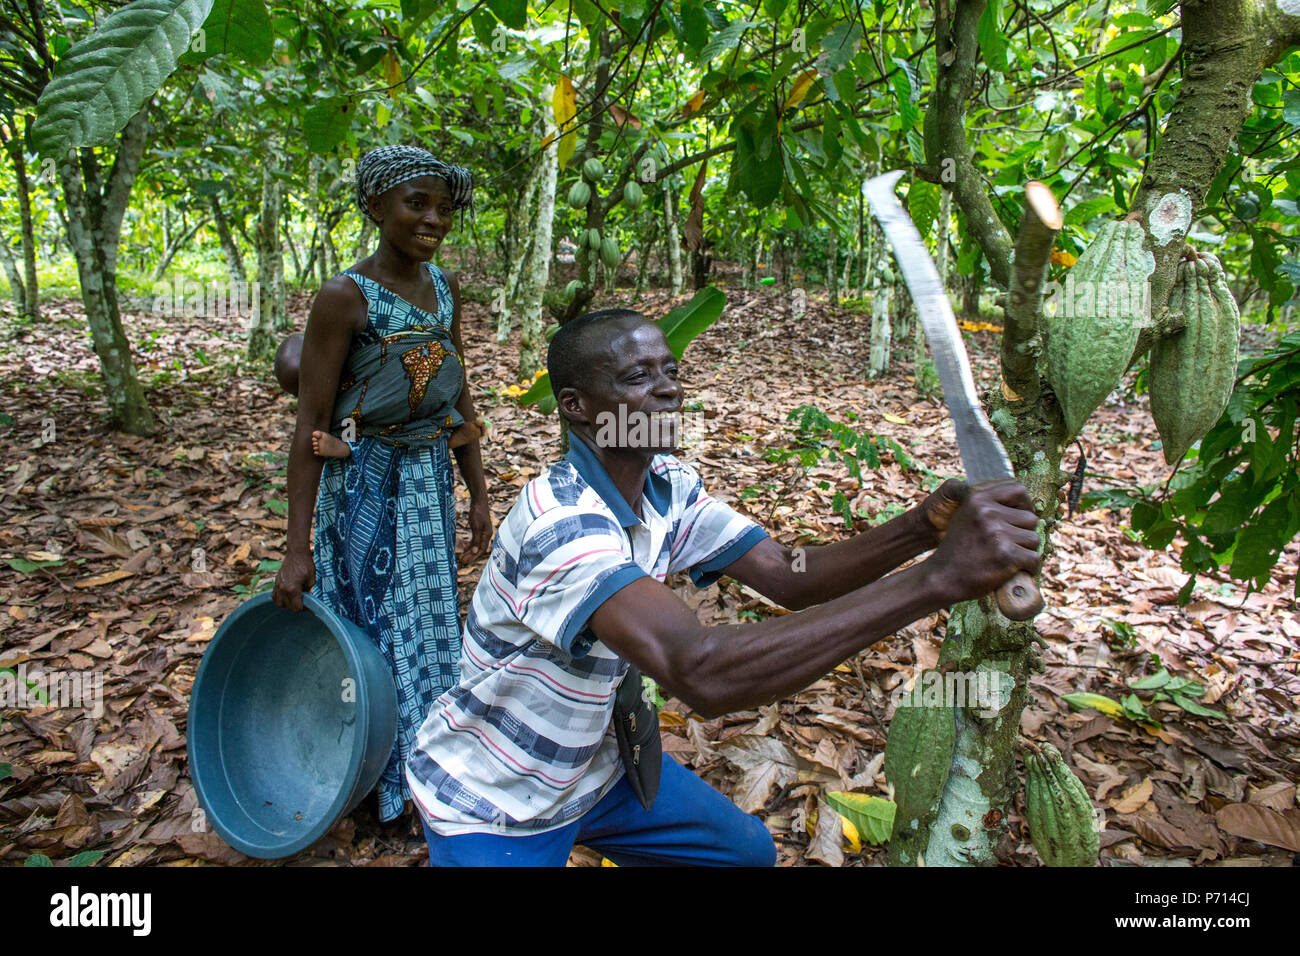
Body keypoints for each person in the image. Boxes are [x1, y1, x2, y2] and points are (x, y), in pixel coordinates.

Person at [405, 308, 1042, 866]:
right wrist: (938, 580)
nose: (667, 392)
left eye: (671, 371)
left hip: (595, 770)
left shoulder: (667, 485)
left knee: (743, 854)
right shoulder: (559, 524)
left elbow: (791, 575)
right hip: (497, 793)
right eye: (637, 378)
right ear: (575, 405)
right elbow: (702, 671)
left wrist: (921, 528)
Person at [272, 145, 493, 824]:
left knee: (428, 625)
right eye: (416, 204)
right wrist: (296, 547)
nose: (433, 220)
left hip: (427, 480)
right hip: (361, 483)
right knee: (371, 620)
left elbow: (458, 400)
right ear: (375, 208)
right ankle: (370, 777)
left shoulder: (444, 288)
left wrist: (478, 492)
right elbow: (311, 422)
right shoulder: (346, 296)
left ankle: (426, 770)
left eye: (443, 209)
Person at [273, 331, 486, 459]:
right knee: (342, 427)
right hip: (360, 433)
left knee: (423, 415)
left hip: (396, 413)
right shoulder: (325, 406)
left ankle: (448, 437)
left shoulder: (345, 357)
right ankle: (344, 449)